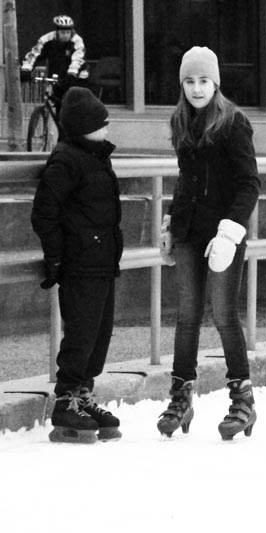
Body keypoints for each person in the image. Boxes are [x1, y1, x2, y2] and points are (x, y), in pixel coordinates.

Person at [156, 46, 261, 440]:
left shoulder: (233, 122)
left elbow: (249, 182)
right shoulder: (181, 120)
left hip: (223, 236)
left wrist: (231, 231)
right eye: (189, 81)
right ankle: (180, 397)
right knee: (186, 315)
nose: (196, 88)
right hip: (189, 232)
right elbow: (185, 180)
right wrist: (170, 224)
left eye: (203, 81)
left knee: (223, 313)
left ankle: (243, 399)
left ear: (215, 83)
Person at [30, 87, 122, 444]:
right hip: (80, 263)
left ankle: (83, 391)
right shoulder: (67, 160)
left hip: (102, 261)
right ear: (84, 127)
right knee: (82, 332)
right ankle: (66, 399)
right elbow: (45, 212)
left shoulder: (97, 156)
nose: (108, 127)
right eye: (102, 122)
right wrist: (56, 255)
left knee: (100, 333)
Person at [20, 14, 90, 110]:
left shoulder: (77, 41)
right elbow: (34, 54)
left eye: (68, 32)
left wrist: (72, 74)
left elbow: (77, 59)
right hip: (57, 73)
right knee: (58, 102)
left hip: (77, 75)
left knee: (74, 102)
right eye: (62, 32)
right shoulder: (46, 39)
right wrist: (26, 69)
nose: (65, 35)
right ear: (56, 32)